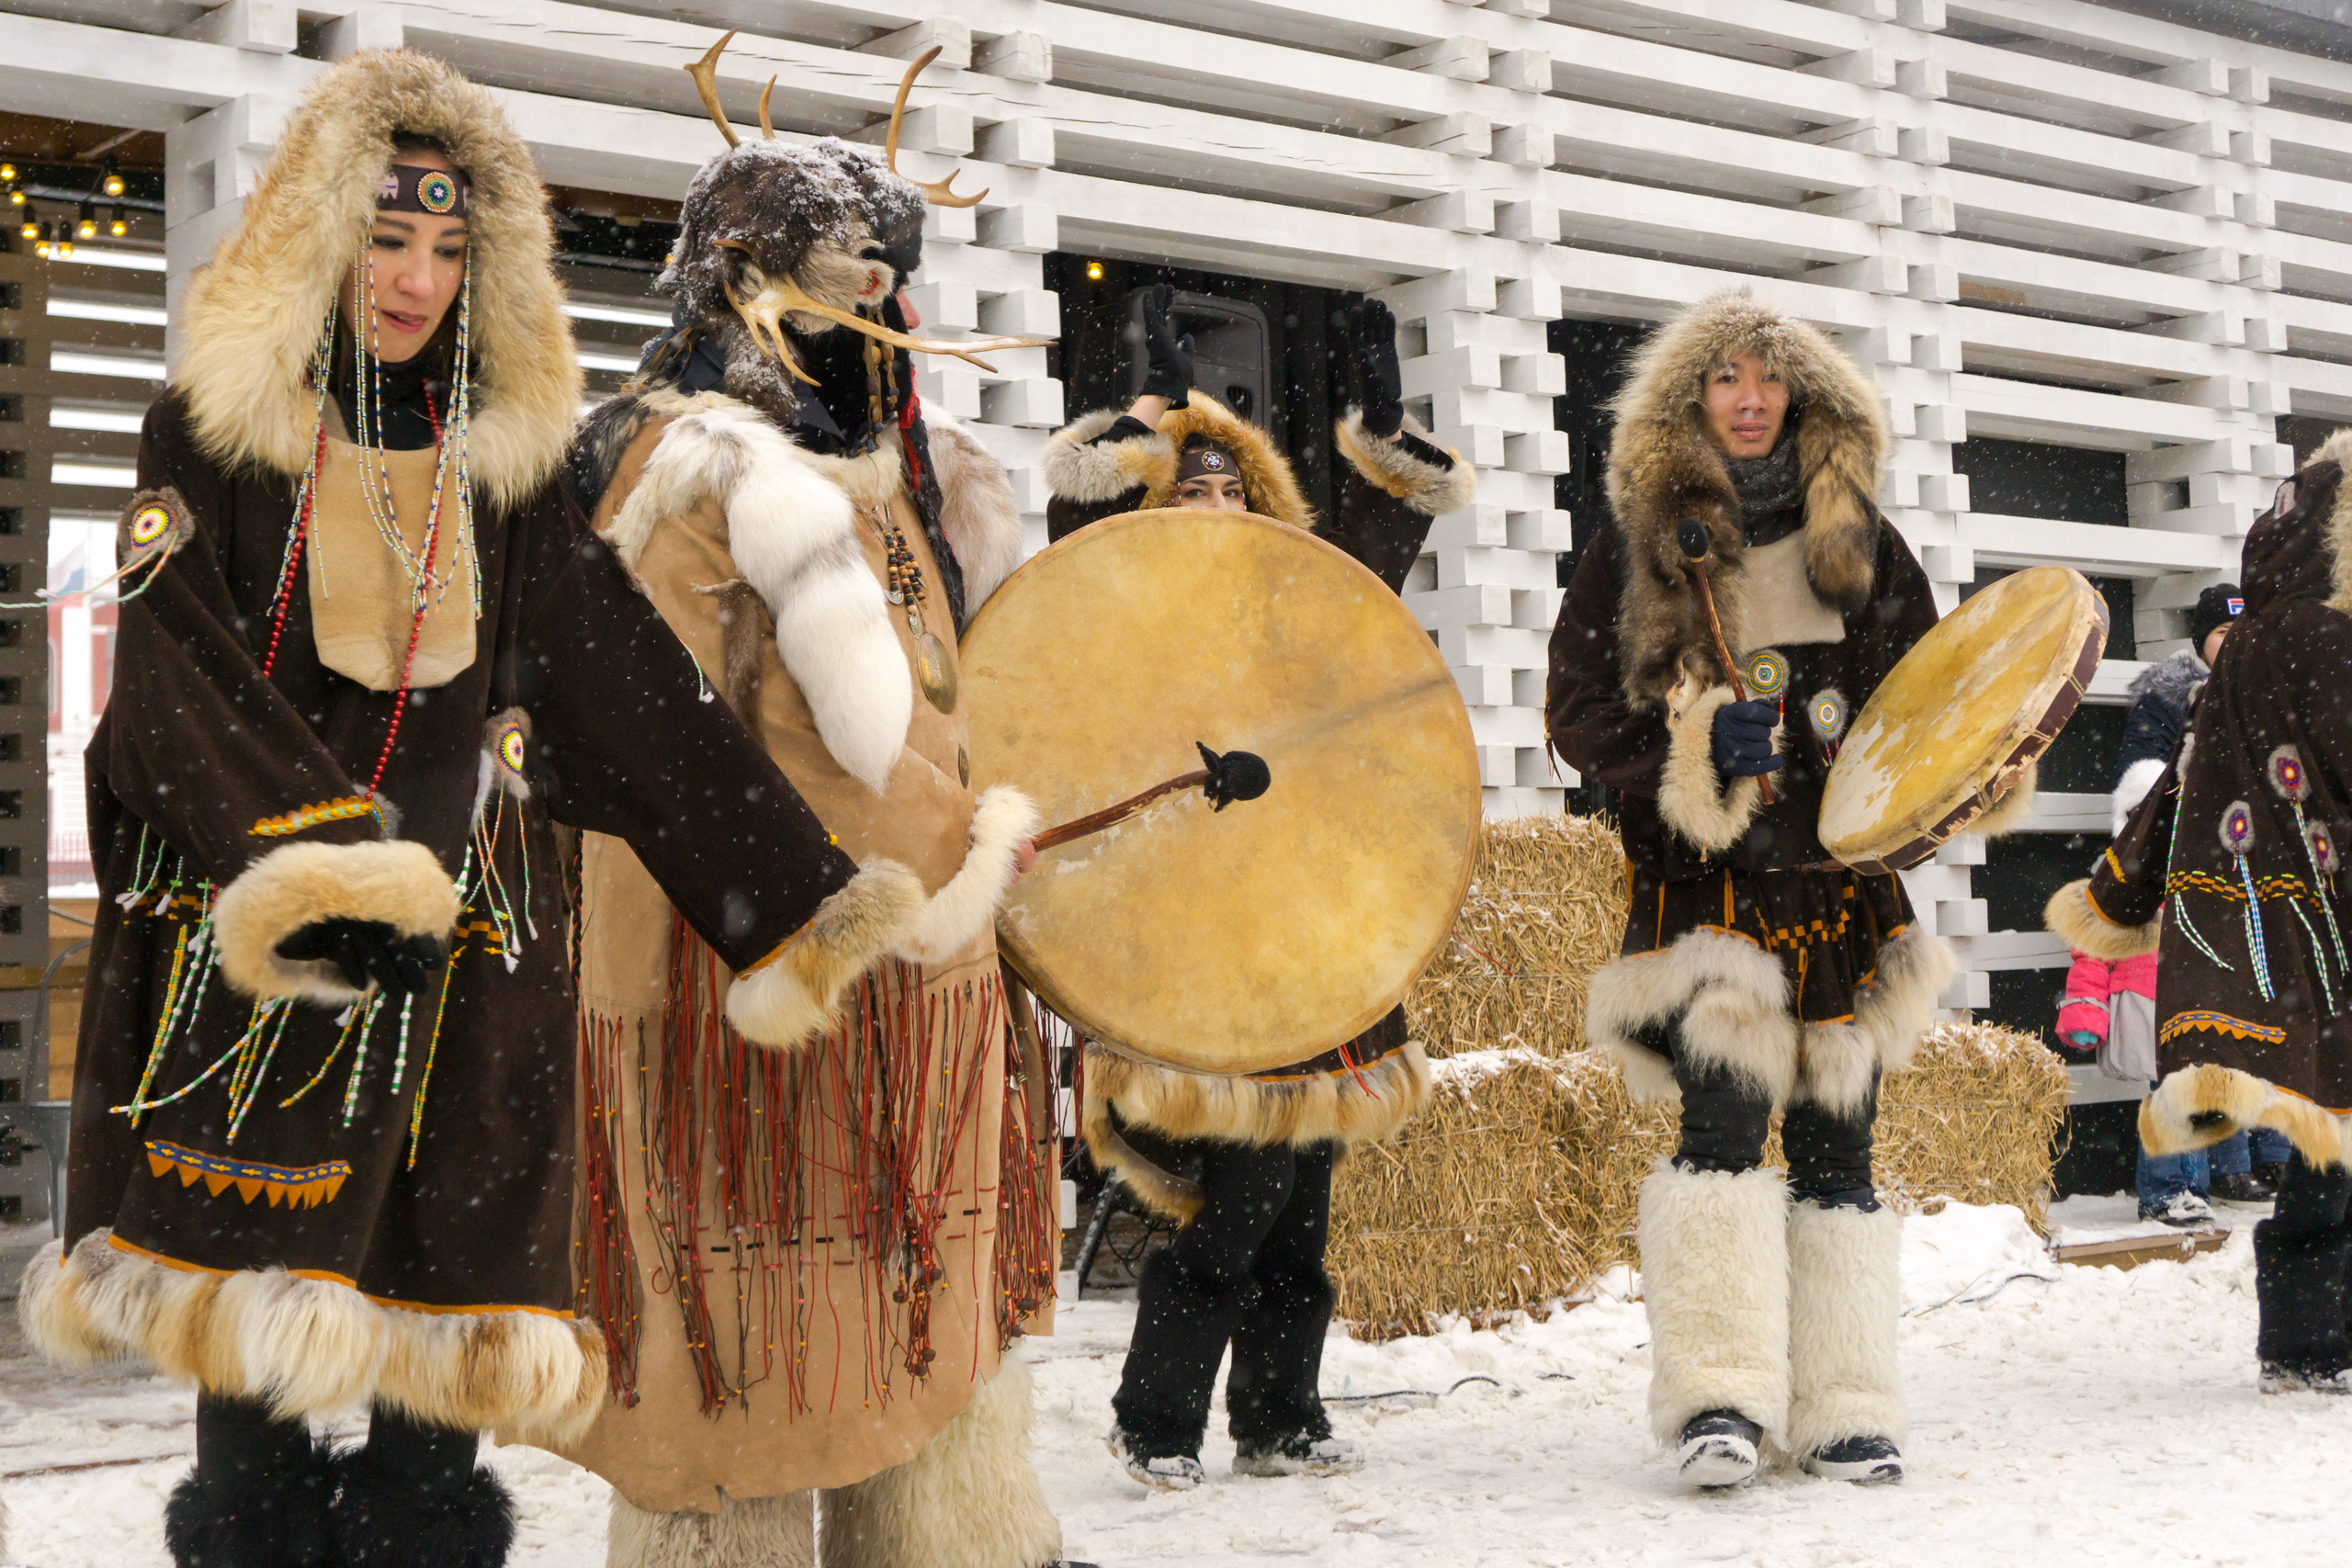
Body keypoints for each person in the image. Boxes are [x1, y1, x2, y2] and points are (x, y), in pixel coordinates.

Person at [16, 51, 910, 1568]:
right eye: (385, 235)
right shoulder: (211, 433)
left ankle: (427, 1531)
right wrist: (322, 874)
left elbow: (619, 684)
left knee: (451, 1304)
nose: (417, 276)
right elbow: (173, 676)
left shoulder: (509, 466)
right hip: (276, 942)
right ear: (318, 230)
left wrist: (795, 890)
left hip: (478, 943)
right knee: (260, 1328)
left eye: (448, 244)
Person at [554, 39, 1076, 1568]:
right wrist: (960, 845)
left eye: (893, 277)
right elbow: (723, 748)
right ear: (743, 277)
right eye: (860, 272)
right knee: (754, 1347)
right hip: (754, 966)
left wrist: (991, 826)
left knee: (910, 1309)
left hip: (908, 978)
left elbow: (949, 689)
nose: (892, 310)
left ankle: (949, 1537)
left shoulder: (892, 470)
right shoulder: (688, 471)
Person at [1547, 290, 2038, 1490]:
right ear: (1692, 401)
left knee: (1840, 1142)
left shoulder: (1863, 544)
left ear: (1803, 395)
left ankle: (1845, 1403)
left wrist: (1971, 773)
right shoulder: (1635, 543)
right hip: (1708, 891)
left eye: (1770, 378)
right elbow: (1576, 708)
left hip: (1834, 893)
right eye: (1727, 379)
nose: (1751, 397)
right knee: (1719, 1126)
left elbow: (1934, 708)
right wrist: (1691, 751)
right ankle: (1719, 1396)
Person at [1040, 282, 1471, 1490]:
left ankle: (1280, 1413)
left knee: (1302, 1216)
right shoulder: (1124, 630)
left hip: (1307, 934)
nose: (1217, 504)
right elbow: (1074, 568)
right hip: (1197, 938)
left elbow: (1375, 560)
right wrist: (1142, 421)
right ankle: (1157, 1420)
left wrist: (1387, 430)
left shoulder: (1300, 620)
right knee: (1229, 1208)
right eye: (1193, 490)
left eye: (1234, 488)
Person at [2053, 433, 2352, 1395]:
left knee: (2323, 1145)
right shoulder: (2318, 639)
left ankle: (2306, 1341)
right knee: (2328, 1149)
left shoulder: (2265, 640)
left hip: (2292, 929)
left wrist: (2122, 889)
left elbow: (2186, 780)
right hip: (2319, 926)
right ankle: (2309, 1345)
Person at [2060, 585, 2282, 1222]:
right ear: (2202, 639)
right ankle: (2170, 1184)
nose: (2233, 645)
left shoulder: (2271, 694)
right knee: (2183, 1040)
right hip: (2186, 867)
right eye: (2222, 633)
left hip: (2247, 875)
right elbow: (2146, 789)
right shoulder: (2172, 697)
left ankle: (2240, 1164)